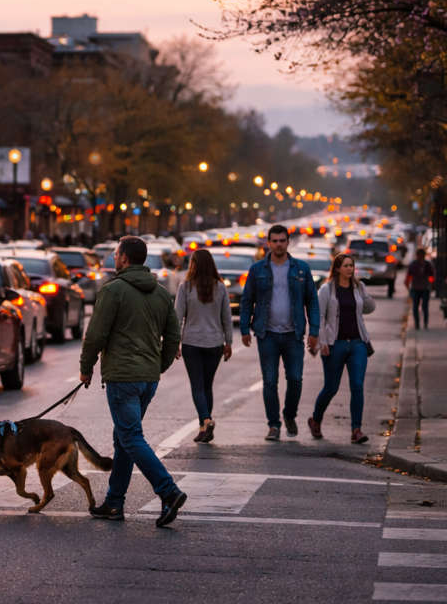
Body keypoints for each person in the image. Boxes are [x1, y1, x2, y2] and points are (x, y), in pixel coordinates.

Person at [79, 236, 187, 528]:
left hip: (123, 377)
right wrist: (158, 366)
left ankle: (168, 491)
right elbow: (174, 336)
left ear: (125, 258)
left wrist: (86, 367)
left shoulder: (113, 291)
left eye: (115, 254)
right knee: (123, 439)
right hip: (147, 378)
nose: (114, 258)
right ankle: (114, 503)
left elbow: (96, 334)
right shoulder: (162, 294)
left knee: (130, 437)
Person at [239, 224, 321, 441]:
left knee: (295, 379)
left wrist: (314, 331)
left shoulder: (301, 269)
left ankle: (289, 414)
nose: (278, 244)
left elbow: (312, 301)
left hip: (293, 334)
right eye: (274, 240)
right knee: (269, 380)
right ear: (268, 243)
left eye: (282, 240)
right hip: (267, 334)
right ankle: (273, 425)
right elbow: (248, 299)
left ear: (288, 242)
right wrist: (245, 328)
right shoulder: (258, 270)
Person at [308, 253, 376, 444]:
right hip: (334, 344)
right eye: (346, 266)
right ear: (337, 268)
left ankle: (356, 430)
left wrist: (364, 291)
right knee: (331, 387)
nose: (349, 269)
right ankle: (316, 419)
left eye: (351, 266)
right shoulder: (326, 290)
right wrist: (322, 342)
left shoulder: (358, 287)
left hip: (357, 343)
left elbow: (370, 308)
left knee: (357, 385)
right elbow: (319, 317)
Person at [175, 249, 233, 444]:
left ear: (193, 265)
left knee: (197, 386)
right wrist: (229, 342)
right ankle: (203, 428)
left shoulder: (186, 287)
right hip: (215, 343)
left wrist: (175, 342)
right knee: (207, 385)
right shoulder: (221, 288)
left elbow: (177, 317)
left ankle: (206, 420)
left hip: (192, 342)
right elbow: (227, 318)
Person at [405, 248, 435, 330]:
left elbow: (431, 276)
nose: (420, 257)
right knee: (416, 307)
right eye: (419, 256)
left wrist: (431, 285)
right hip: (416, 288)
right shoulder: (413, 265)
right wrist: (409, 288)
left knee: (424, 307)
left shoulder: (427, 265)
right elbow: (408, 278)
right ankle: (417, 323)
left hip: (424, 288)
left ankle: (425, 323)